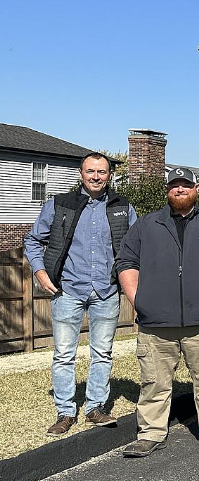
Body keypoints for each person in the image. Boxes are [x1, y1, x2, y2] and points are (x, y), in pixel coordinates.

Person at [115, 167, 199, 457]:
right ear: (167, 190)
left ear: (196, 188)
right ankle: (150, 433)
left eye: (185, 185)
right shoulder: (147, 225)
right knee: (154, 383)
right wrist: (139, 300)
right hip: (156, 324)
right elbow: (125, 261)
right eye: (174, 185)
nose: (180, 190)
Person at [24, 152, 137, 436]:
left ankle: (95, 407)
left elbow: (137, 247)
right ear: (80, 174)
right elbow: (33, 240)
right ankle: (65, 412)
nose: (96, 176)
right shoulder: (59, 204)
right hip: (68, 290)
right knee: (63, 354)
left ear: (109, 175)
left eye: (102, 172)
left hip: (106, 291)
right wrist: (40, 272)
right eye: (91, 171)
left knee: (103, 352)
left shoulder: (122, 207)